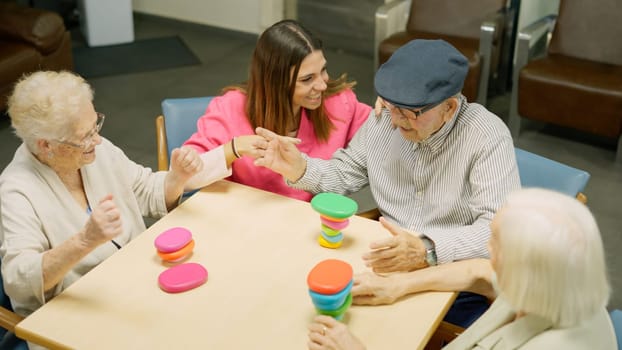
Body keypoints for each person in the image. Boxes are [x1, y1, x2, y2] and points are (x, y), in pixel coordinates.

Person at [255, 39, 520, 325]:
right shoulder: (385, 118)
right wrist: (299, 167)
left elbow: (498, 232)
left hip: (452, 279)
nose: (395, 121)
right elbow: (344, 174)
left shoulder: (486, 137)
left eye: (410, 113)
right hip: (384, 262)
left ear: (450, 107)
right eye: (392, 106)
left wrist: (427, 248)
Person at [0, 71, 206, 325]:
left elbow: (145, 190)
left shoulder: (94, 149)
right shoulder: (16, 191)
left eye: (95, 124)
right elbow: (19, 281)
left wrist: (177, 178)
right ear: (45, 145)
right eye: (84, 136)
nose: (97, 139)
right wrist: (85, 241)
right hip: (78, 315)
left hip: (135, 286)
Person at [307, 188, 617, 350]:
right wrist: (399, 286)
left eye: (494, 243)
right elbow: (479, 271)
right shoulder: (556, 281)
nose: (487, 249)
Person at [183, 19, 372, 201]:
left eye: (323, 70)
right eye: (307, 79)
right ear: (275, 83)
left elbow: (382, 141)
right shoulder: (230, 108)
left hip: (307, 224)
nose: (322, 85)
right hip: (242, 222)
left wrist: (389, 110)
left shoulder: (339, 102)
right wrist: (234, 148)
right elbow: (186, 179)